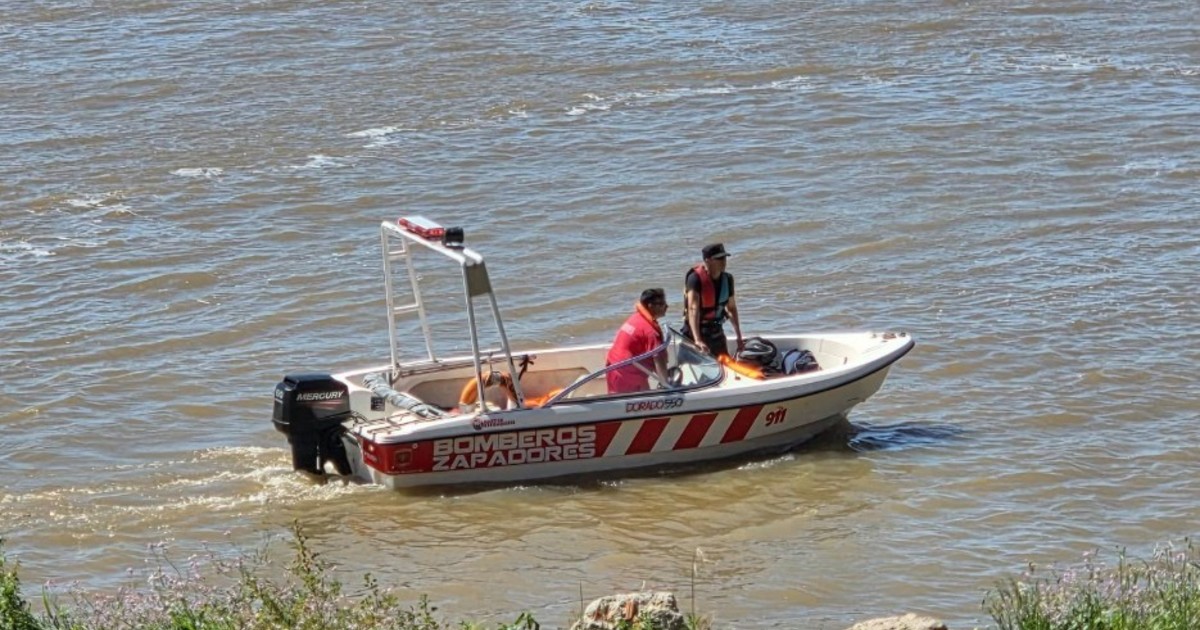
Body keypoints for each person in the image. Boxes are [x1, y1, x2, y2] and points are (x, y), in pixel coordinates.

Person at [682, 243, 743, 358]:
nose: (724, 261)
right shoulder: (695, 279)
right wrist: (698, 340)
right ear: (708, 260)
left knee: (725, 365)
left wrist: (739, 336)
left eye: (724, 258)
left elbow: (731, 308)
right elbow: (693, 309)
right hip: (694, 332)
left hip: (716, 331)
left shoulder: (728, 279)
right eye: (719, 258)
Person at [605, 288, 670, 394]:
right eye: (662, 303)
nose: (666, 306)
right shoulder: (651, 333)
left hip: (613, 368)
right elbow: (660, 362)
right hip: (627, 374)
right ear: (650, 306)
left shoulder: (636, 318)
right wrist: (667, 386)